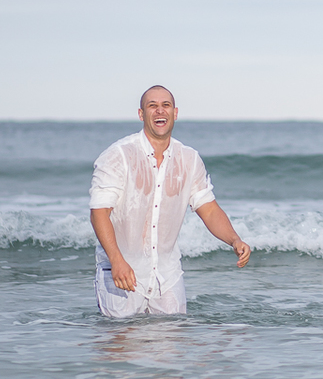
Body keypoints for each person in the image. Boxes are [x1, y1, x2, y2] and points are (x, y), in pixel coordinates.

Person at [89, 85, 251, 317]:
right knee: (120, 348)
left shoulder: (189, 159)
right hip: (122, 271)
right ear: (141, 114)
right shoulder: (119, 155)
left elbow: (209, 209)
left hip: (168, 276)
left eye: (165, 105)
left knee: (171, 347)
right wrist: (117, 260)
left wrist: (234, 240)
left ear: (175, 113)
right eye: (152, 106)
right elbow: (99, 213)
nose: (159, 111)